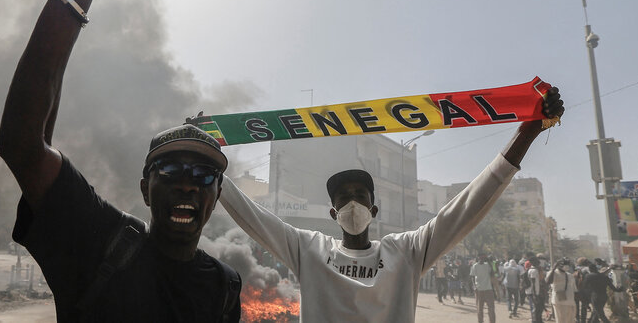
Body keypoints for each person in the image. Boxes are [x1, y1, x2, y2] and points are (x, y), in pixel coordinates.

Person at [0, 0, 240, 321]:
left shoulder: (224, 286)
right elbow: (23, 145)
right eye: (171, 172)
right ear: (145, 189)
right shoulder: (98, 242)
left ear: (215, 197)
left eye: (203, 177)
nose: (187, 186)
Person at [217, 87, 563, 321]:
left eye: (360, 196)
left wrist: (527, 132)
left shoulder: (406, 251)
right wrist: (210, 165)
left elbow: (469, 205)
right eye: (343, 199)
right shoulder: (309, 249)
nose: (353, 203)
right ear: (333, 213)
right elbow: (253, 217)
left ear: (374, 209)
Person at [546, 258, 577, 323]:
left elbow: (574, 289)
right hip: (559, 301)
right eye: (565, 264)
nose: (567, 266)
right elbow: (548, 281)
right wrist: (554, 268)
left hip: (570, 302)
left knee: (570, 320)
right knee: (561, 320)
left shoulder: (569, 275)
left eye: (568, 264)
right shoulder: (553, 273)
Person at [472, 253, 497, 323]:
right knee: (480, 309)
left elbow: (493, 273)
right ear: (478, 257)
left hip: (488, 289)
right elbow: (472, 276)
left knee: (491, 308)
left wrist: (489, 261)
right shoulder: (475, 266)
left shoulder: (488, 265)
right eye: (481, 257)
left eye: (484, 257)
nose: (482, 259)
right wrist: (474, 285)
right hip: (479, 289)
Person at [527, 258, 546, 323]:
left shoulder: (535, 270)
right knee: (537, 309)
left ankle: (539, 320)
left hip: (537, 292)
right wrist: (535, 295)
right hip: (535, 293)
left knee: (539, 308)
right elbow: (533, 283)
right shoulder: (533, 271)